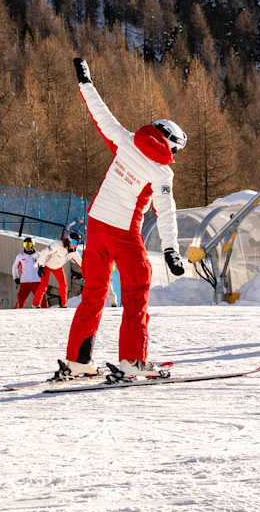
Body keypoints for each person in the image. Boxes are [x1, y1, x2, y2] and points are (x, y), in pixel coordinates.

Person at [60, 57, 187, 381]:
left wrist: (85, 82)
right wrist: (171, 250)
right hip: (123, 233)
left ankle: (77, 361)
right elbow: (166, 210)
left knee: (94, 293)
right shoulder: (162, 171)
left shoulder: (126, 139)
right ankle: (132, 361)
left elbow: (100, 114)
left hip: (95, 226)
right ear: (172, 145)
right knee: (136, 290)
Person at [35, 231, 83, 308]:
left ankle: (63, 304)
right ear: (69, 240)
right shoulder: (57, 245)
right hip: (46, 264)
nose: (75, 245)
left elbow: (81, 263)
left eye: (77, 243)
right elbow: (44, 253)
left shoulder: (73, 252)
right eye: (73, 242)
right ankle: (35, 304)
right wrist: (41, 266)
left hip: (57, 267)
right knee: (43, 285)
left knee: (63, 285)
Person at [12, 237, 42, 308]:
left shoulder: (38, 255)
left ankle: (46, 313)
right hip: (25, 281)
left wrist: (42, 274)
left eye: (29, 244)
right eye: (25, 244)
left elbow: (43, 266)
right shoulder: (20, 256)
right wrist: (16, 277)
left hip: (36, 281)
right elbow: (14, 267)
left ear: (32, 244)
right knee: (20, 300)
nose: (27, 246)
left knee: (41, 299)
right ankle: (15, 314)